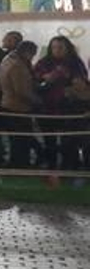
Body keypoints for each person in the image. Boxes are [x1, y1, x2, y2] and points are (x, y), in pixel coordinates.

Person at [33, 35, 87, 169]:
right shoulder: (43, 62)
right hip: (47, 107)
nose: (57, 50)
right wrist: (50, 76)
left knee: (69, 140)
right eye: (54, 47)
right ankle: (51, 165)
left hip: (69, 108)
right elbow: (36, 79)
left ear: (67, 48)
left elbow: (82, 81)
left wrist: (73, 82)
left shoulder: (76, 62)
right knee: (49, 139)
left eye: (60, 47)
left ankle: (69, 165)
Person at [0, 40, 39, 168]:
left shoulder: (7, 59)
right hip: (18, 107)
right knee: (22, 139)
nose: (32, 58)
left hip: (7, 104)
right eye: (32, 55)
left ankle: (17, 162)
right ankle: (21, 163)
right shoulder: (18, 66)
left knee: (16, 138)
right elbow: (21, 91)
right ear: (27, 52)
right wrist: (37, 101)